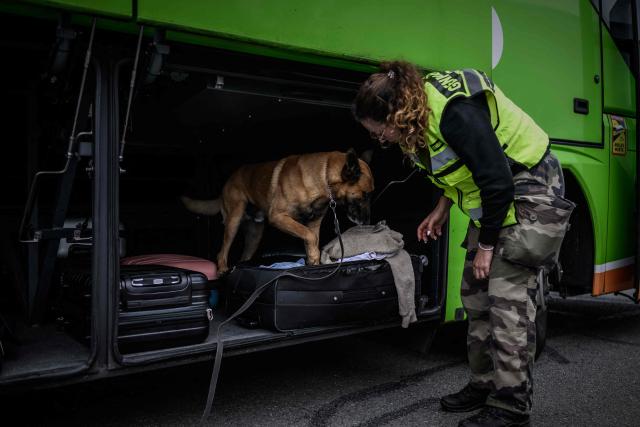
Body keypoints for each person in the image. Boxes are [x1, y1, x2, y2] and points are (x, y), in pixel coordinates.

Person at [353, 61, 574, 427]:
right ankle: (484, 383)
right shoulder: (419, 117)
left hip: (528, 186)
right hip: (497, 194)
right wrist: (441, 208)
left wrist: (487, 246)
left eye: (380, 132)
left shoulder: (454, 112)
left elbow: (497, 180)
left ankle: (510, 407)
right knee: (475, 294)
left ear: (396, 114)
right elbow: (463, 168)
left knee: (508, 300)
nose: (382, 140)